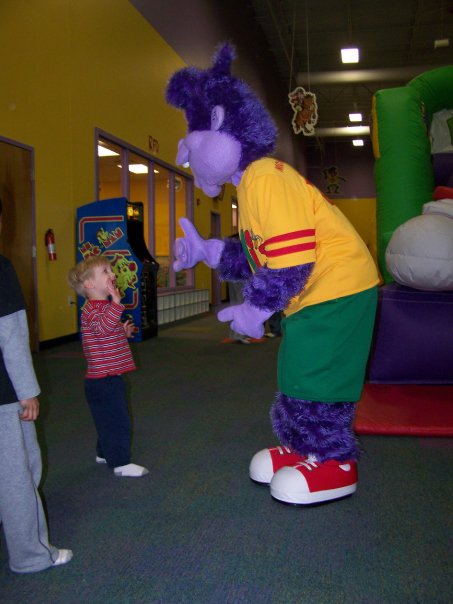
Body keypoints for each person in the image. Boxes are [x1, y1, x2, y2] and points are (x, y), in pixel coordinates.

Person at [0, 197, 72, 573]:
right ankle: (31, 555)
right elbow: (11, 336)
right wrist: (27, 390)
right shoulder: (0, 269)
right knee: (18, 473)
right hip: (4, 397)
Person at [67, 255, 148, 478]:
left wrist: (123, 332)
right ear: (89, 284)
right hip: (104, 380)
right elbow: (102, 327)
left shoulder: (103, 307)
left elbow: (105, 331)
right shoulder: (91, 309)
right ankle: (120, 463)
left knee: (107, 419)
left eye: (111, 270)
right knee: (118, 421)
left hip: (109, 377)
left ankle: (103, 453)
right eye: (105, 271)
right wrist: (117, 303)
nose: (112, 274)